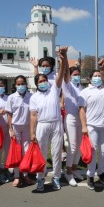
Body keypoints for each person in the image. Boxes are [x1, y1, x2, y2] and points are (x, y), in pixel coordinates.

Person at [30, 47, 67, 192]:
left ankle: (56, 177)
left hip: (56, 124)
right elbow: (33, 116)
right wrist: (32, 132)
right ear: (37, 83)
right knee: (42, 154)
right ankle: (40, 179)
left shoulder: (54, 90)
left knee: (57, 153)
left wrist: (63, 59)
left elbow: (62, 73)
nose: (43, 82)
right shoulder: (34, 97)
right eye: (40, 81)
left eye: (44, 80)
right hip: (42, 126)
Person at [78, 57, 104, 190]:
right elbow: (82, 110)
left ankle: (101, 172)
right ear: (90, 78)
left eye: (99, 75)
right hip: (91, 125)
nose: (97, 77)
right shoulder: (85, 92)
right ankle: (90, 175)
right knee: (92, 151)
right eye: (95, 76)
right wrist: (84, 126)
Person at [6, 75, 34, 187]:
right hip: (15, 127)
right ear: (15, 85)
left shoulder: (31, 97)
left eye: (22, 83)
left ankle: (25, 174)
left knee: (26, 151)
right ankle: (17, 175)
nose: (21, 86)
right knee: (16, 152)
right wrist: (11, 129)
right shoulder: (11, 97)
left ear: (26, 85)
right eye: (18, 84)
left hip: (27, 127)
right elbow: (9, 115)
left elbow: (33, 114)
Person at [62, 60, 85, 187]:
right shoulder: (67, 85)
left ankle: (74, 168)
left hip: (80, 118)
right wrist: (64, 58)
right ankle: (68, 171)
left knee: (79, 146)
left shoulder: (80, 86)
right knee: (72, 146)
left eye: (78, 74)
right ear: (70, 76)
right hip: (70, 118)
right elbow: (65, 74)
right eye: (74, 74)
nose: (77, 76)